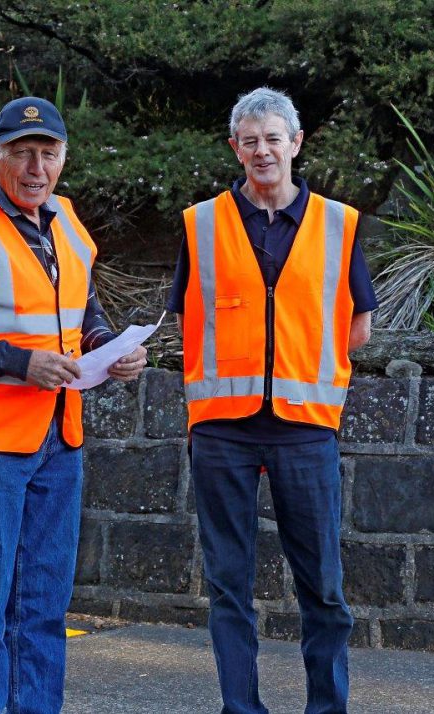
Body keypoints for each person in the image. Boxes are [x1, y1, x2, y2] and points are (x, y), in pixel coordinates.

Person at [0, 96, 147, 713]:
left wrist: (111, 348)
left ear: (64, 158)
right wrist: (23, 364)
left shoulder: (66, 221)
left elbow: (84, 312)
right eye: (22, 153)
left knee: (42, 607)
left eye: (49, 153)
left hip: (57, 439)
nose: (37, 168)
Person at [167, 86, 377, 714]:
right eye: (250, 141)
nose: (263, 151)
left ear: (296, 143)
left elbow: (359, 327)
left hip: (305, 426)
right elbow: (184, 316)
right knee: (228, 587)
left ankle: (326, 708)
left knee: (325, 590)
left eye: (273, 139)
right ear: (236, 148)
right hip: (221, 428)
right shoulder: (200, 223)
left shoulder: (340, 223)